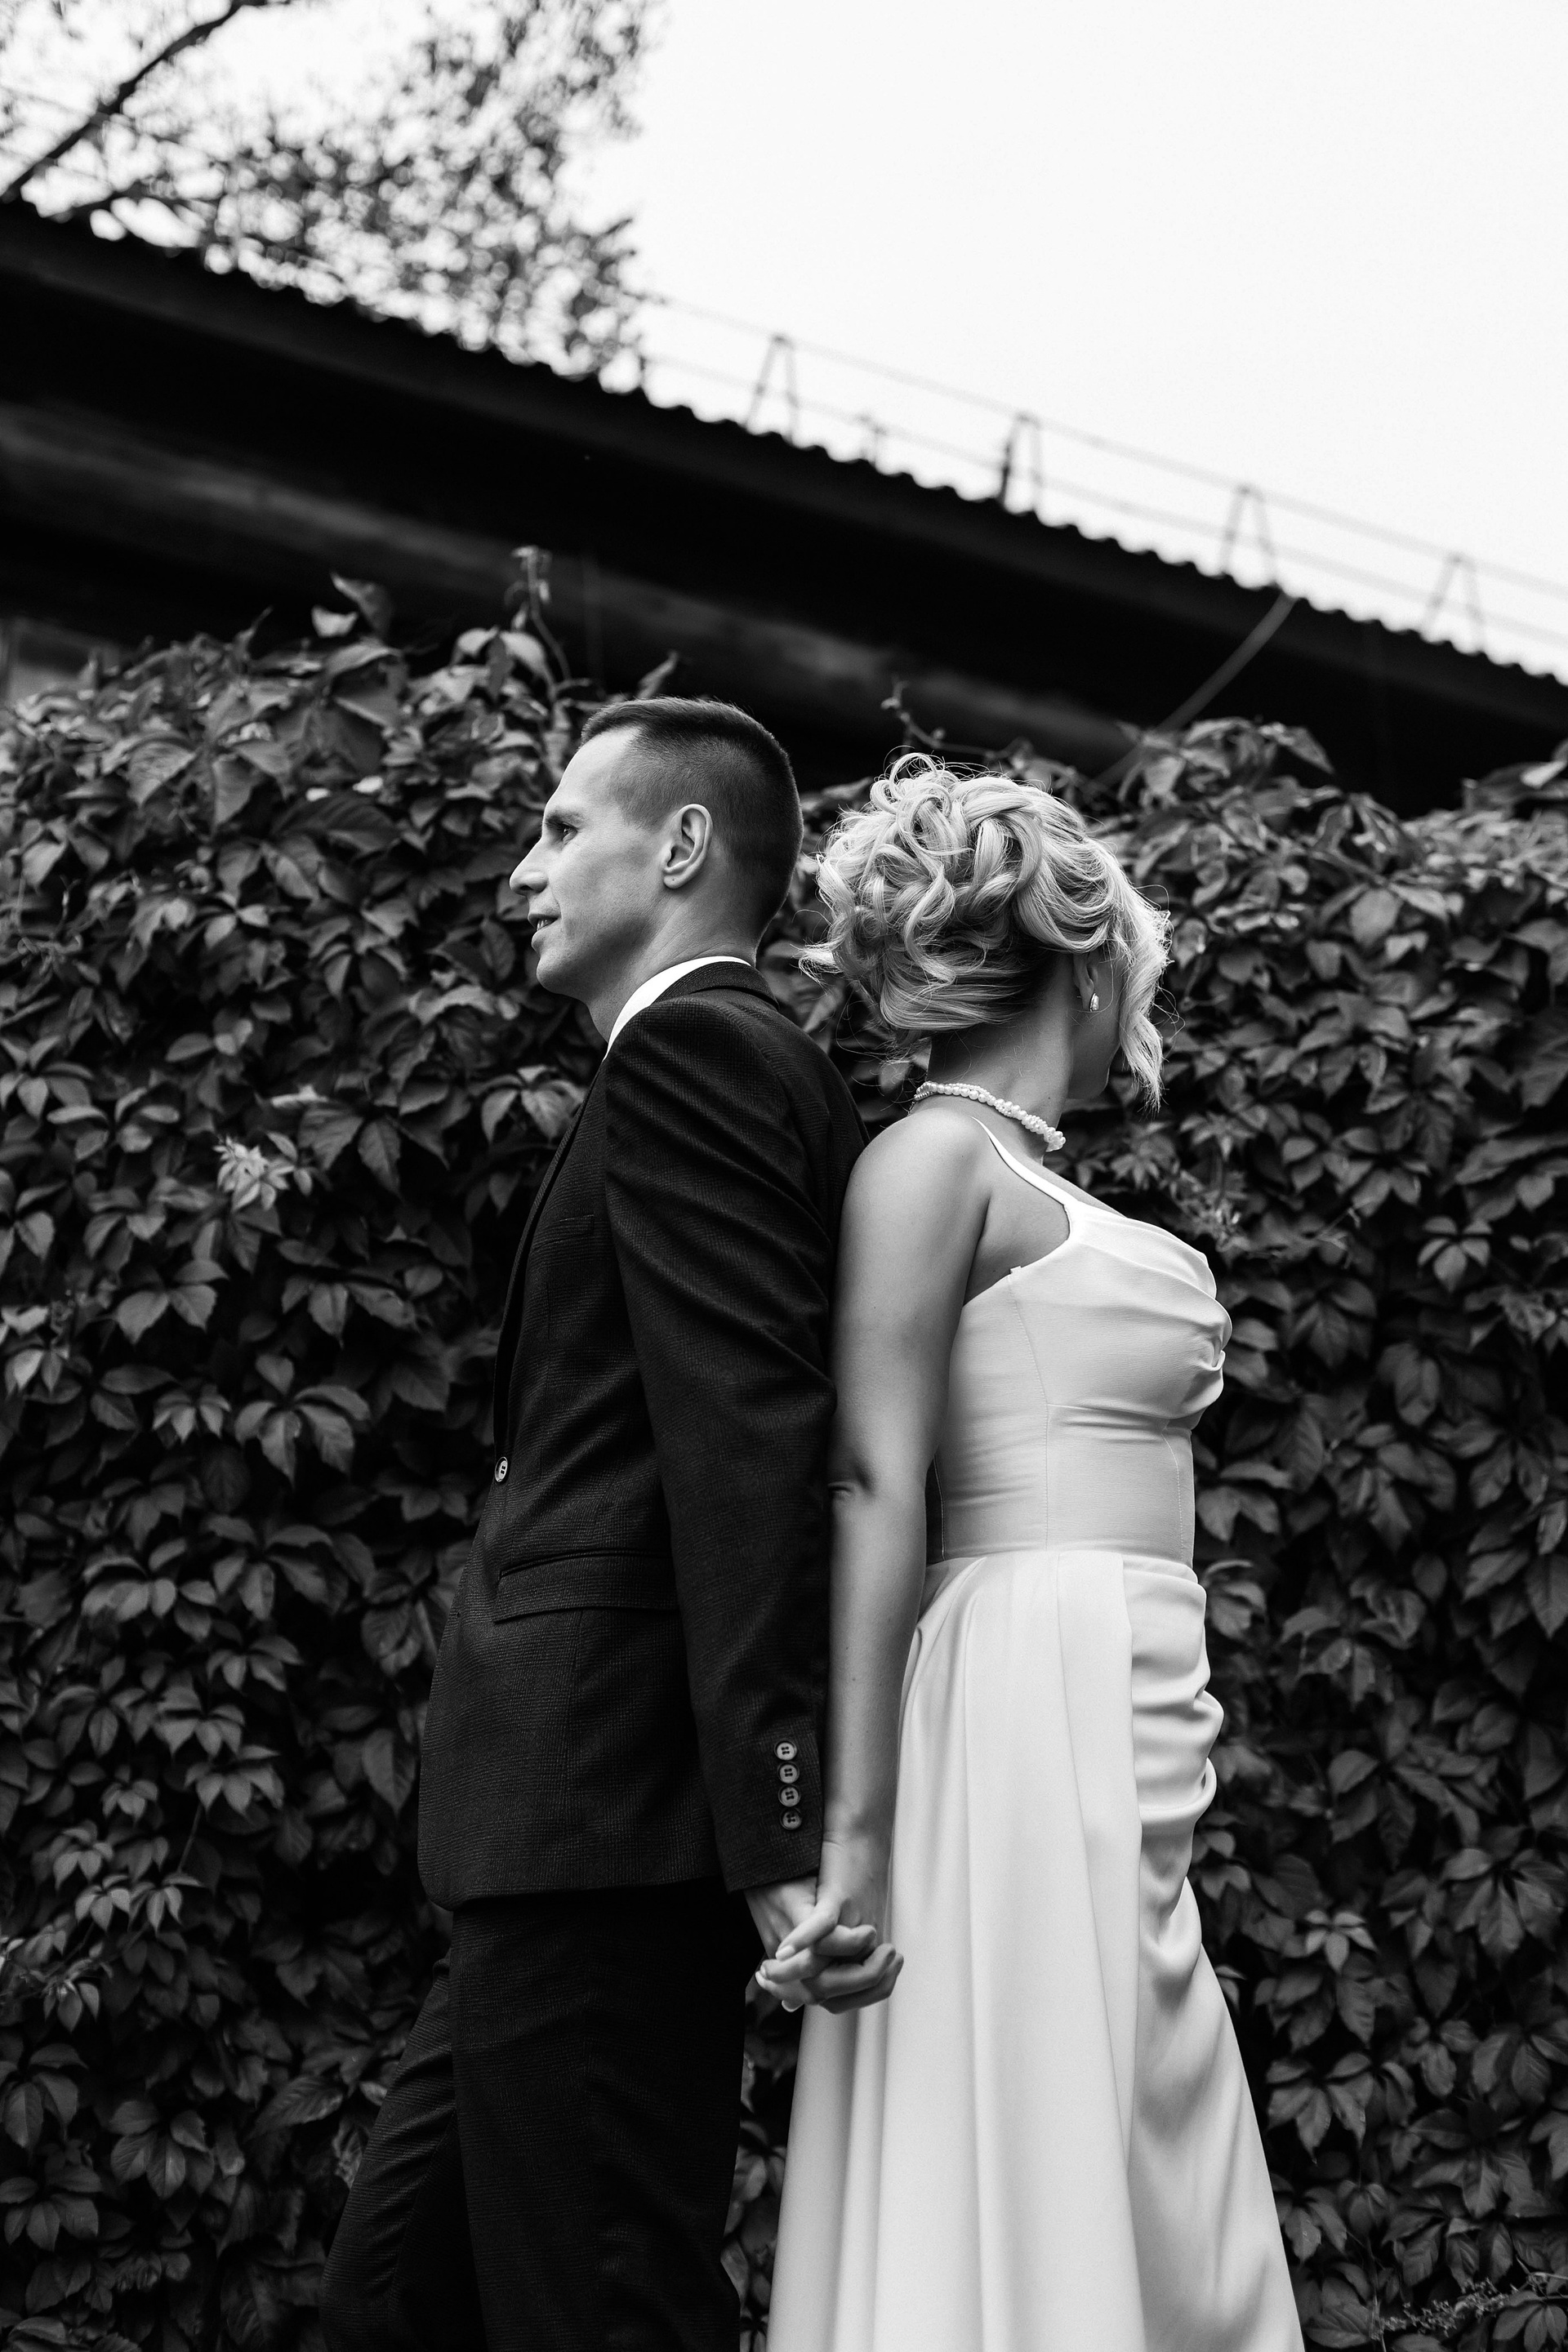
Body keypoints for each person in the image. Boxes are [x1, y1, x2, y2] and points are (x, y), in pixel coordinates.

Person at [320, 697, 889, 2352]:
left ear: (685, 845)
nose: (525, 870)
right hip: (556, 1828)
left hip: (610, 1814)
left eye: (563, 828)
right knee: (393, 2301)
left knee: (605, 2307)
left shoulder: (701, 1055)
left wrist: (779, 1826)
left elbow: (747, 1447)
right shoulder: (691, 1062)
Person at [762, 757, 1304, 2351]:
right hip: (1015, 1694)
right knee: (1037, 2085)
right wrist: (853, 1839)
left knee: (1135, 2099)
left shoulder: (1021, 1171)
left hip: (1121, 1704)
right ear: (1089, 954)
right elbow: (873, 1480)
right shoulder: (933, 1162)